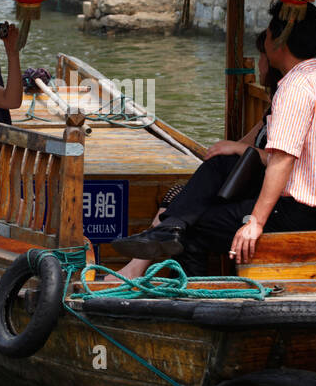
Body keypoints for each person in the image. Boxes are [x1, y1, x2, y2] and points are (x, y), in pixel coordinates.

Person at [112, 1, 316, 275]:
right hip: (309, 206)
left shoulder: (295, 88)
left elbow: (281, 161)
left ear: (278, 41)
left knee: (193, 229)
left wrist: (255, 222)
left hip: (294, 212)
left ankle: (195, 298)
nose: (265, 38)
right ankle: (170, 228)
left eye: (268, 32)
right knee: (220, 167)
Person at [114, 29, 282, 280]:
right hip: (244, 185)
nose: (258, 64)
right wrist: (228, 149)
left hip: (263, 192)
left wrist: (237, 150)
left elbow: (276, 158)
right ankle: (139, 267)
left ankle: (142, 270)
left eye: (261, 57)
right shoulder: (273, 107)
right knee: (179, 196)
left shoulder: (292, 100)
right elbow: (242, 144)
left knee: (187, 218)